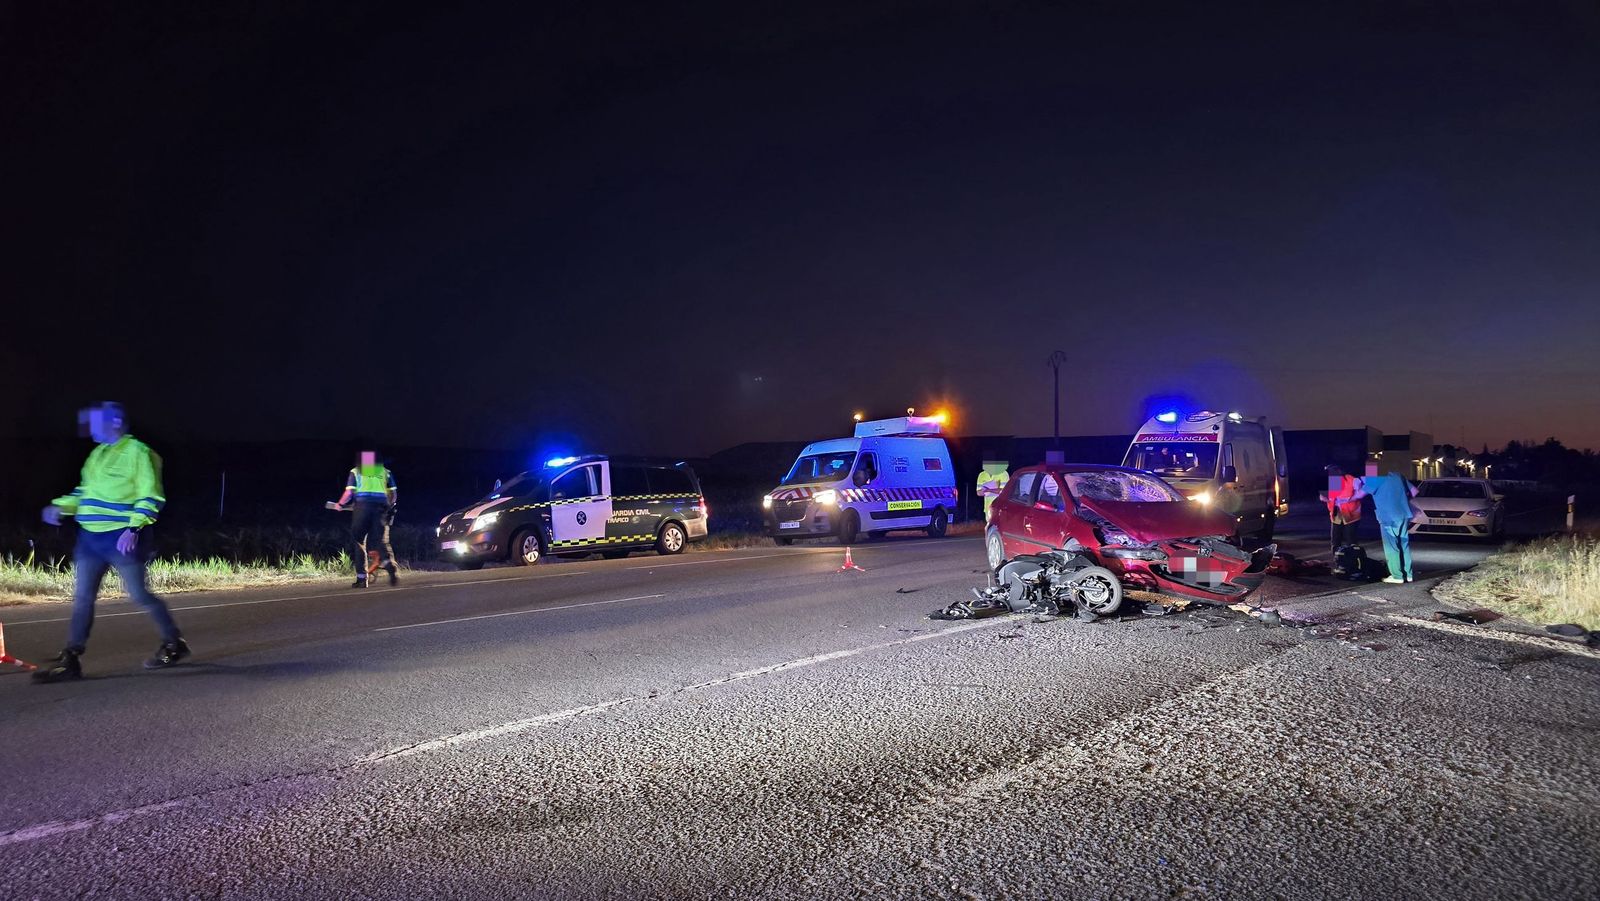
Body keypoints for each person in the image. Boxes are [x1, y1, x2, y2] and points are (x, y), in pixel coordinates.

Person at [34, 402, 188, 683]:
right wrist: (60, 506)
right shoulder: (98, 454)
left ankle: (174, 643)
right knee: (82, 598)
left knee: (140, 595)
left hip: (122, 537)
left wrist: (134, 529)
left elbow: (150, 496)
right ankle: (71, 657)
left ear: (115, 422)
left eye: (95, 423)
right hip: (90, 538)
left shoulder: (139, 453)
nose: (89, 429)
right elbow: (84, 494)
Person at [335, 450, 398, 587]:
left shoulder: (356, 471)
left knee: (359, 542)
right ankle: (389, 565)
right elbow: (393, 494)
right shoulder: (385, 472)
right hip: (381, 508)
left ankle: (362, 579)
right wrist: (390, 506)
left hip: (362, 508)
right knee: (380, 541)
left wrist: (340, 504)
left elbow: (349, 492)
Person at [1362, 468, 1419, 584]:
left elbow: (1359, 495)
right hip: (1403, 513)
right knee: (1404, 544)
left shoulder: (1374, 479)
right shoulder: (1398, 475)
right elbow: (1415, 491)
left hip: (1388, 516)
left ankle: (1397, 576)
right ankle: (1408, 575)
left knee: (1392, 546)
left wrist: (1361, 482)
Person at [1320, 464, 1366, 571]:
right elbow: (1328, 497)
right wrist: (1326, 498)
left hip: (1351, 515)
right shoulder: (1333, 481)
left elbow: (1363, 491)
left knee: (1351, 541)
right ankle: (1339, 562)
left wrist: (1351, 499)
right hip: (1336, 515)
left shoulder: (1351, 480)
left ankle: (1353, 563)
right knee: (1335, 541)